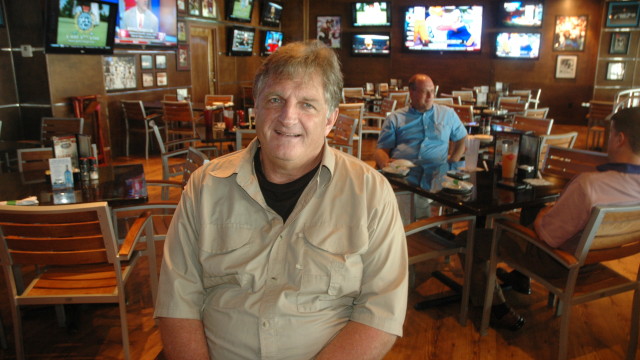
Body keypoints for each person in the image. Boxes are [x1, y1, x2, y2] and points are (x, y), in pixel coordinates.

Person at [155, 40, 408, 360]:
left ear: (331, 119)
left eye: (307, 104)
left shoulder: (371, 194)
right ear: (256, 109)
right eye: (276, 99)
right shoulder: (205, 187)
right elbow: (177, 303)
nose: (288, 117)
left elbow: (380, 315)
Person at [461, 107, 640, 331]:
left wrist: (545, 213)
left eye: (610, 134)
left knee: (470, 238)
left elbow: (547, 235)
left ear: (619, 138)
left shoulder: (589, 184)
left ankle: (495, 307)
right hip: (594, 258)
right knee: (528, 213)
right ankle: (520, 279)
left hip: (559, 261)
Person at [375, 73, 467, 217]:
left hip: (437, 174)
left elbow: (462, 137)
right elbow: (381, 150)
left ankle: (418, 231)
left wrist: (453, 160)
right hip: (405, 175)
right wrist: (386, 164)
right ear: (412, 92)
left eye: (432, 91)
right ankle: (420, 231)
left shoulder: (447, 114)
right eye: (425, 91)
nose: (431, 96)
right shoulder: (396, 118)